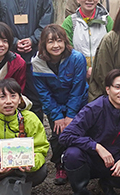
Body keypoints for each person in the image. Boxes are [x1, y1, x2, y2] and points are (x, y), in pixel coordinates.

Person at [31, 23, 87, 186]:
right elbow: (43, 93)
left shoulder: (76, 58)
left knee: (78, 133)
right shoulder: (37, 63)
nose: (56, 45)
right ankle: (59, 164)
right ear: (44, 44)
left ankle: (79, 165)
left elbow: (78, 88)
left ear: (65, 42)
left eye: (59, 40)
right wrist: (56, 116)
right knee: (57, 135)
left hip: (77, 103)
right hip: (54, 105)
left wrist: (70, 115)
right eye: (50, 42)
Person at [62, 0, 113, 78]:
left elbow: (114, 45)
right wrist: (84, 69)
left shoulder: (106, 19)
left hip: (104, 72)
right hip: (77, 73)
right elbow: (67, 48)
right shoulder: (70, 21)